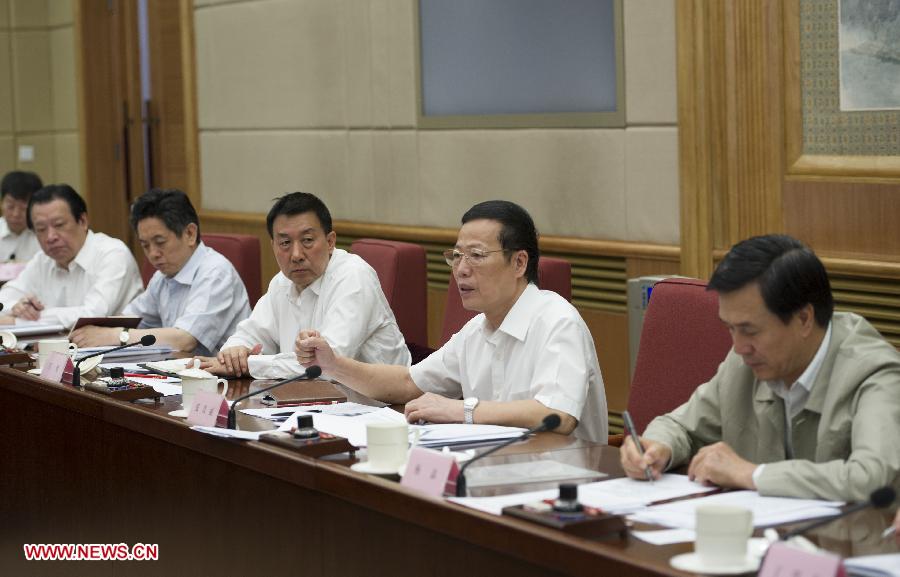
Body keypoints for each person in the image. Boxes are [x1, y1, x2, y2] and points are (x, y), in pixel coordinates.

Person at [295, 200, 608, 442]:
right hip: (494, 473)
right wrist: (333, 365)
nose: (461, 269)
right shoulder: (477, 330)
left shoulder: (558, 321)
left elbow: (558, 414)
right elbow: (407, 383)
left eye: (476, 255)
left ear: (519, 262)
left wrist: (463, 410)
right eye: (456, 256)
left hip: (564, 481)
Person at [621, 234, 900, 501]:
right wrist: (658, 448)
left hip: (853, 545)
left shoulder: (875, 373)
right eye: (730, 328)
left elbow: (870, 479)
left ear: (803, 318)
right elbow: (681, 425)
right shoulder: (745, 362)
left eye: (750, 330)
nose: (739, 346)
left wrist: (753, 474)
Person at [201, 192, 410, 379]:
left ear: (330, 242)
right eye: (285, 243)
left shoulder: (354, 277)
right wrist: (234, 353)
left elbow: (326, 366)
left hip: (383, 408)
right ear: (273, 246)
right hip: (315, 402)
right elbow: (249, 335)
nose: (296, 255)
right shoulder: (282, 283)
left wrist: (251, 364)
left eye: (307, 240)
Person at [70, 189, 251, 356]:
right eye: (145, 245)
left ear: (190, 233)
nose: (153, 254)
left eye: (160, 242)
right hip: (178, 374)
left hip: (226, 384)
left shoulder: (215, 272)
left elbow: (184, 339)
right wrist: (89, 331)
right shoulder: (163, 276)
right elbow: (132, 319)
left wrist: (116, 336)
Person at [0, 184, 143, 328]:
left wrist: (18, 321)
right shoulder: (42, 260)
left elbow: (93, 314)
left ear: (83, 221)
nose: (50, 237)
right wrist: (17, 308)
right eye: (41, 229)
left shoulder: (112, 254)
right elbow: (4, 299)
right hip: (57, 349)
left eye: (59, 224)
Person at [0, 171, 43, 263]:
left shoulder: (44, 234)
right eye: (10, 206)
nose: (16, 214)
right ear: (1, 203)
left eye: (24, 208)